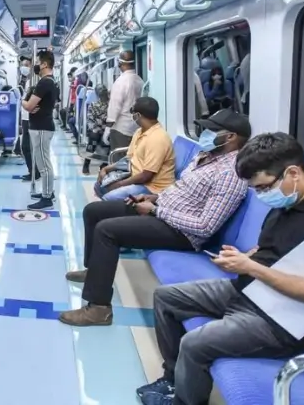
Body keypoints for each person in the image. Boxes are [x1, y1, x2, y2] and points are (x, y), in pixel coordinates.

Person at [137, 132, 304, 405]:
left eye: (263, 187)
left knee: (195, 343)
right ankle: (173, 379)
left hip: (282, 320)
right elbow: (274, 252)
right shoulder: (286, 205)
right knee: (167, 298)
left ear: (293, 173)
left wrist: (251, 267)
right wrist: (247, 257)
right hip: (251, 292)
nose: (261, 195)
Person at [59, 109, 251, 327]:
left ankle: (99, 309)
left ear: (231, 137)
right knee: (94, 211)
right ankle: (93, 269)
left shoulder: (231, 173)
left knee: (107, 231)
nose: (206, 133)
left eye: (212, 130)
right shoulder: (206, 157)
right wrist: (154, 198)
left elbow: (205, 226)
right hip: (161, 210)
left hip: (183, 233)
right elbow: (183, 191)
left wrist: (154, 210)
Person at [95, 97, 175, 201]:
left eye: (133, 114)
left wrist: (120, 184)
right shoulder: (139, 132)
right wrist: (106, 169)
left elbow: (146, 175)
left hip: (152, 187)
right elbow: (129, 159)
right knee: (99, 185)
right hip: (137, 177)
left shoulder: (158, 138)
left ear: (137, 115)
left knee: (109, 198)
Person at [22, 50, 59, 210]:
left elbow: (29, 106)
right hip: (43, 125)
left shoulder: (45, 83)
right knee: (43, 161)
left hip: (42, 126)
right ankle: (47, 191)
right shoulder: (52, 81)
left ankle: (46, 198)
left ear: (44, 64)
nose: (36, 65)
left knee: (43, 164)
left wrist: (23, 101)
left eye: (38, 62)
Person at [106, 50, 144, 151]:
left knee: (119, 162)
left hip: (121, 129)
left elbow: (114, 108)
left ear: (120, 63)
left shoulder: (120, 82)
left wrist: (107, 129)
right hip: (136, 128)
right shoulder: (140, 80)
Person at [20, 65, 41, 182]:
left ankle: (35, 172)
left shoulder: (39, 85)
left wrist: (23, 102)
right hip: (25, 118)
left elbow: (28, 102)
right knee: (26, 147)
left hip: (32, 118)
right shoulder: (27, 82)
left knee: (30, 147)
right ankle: (33, 171)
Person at [82, 85, 109, 174]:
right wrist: (96, 129)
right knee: (92, 141)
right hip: (96, 128)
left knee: (112, 140)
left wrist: (107, 129)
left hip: (107, 129)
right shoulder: (93, 105)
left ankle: (104, 165)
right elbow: (90, 119)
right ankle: (86, 164)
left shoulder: (111, 104)